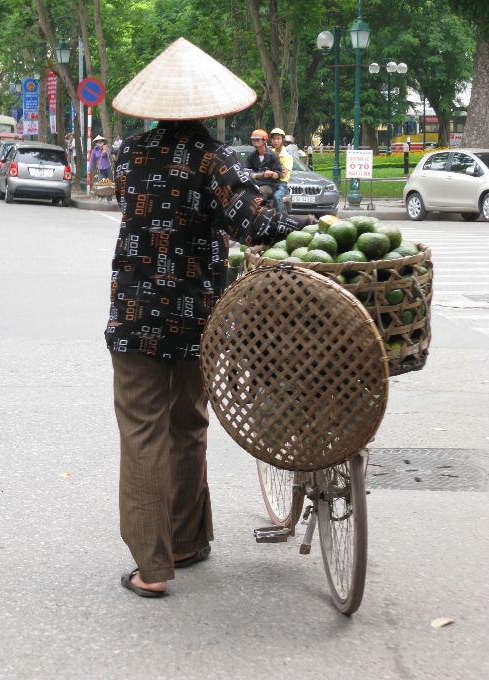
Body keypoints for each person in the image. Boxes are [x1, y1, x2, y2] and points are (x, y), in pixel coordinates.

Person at [107, 37, 315, 598]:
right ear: (209, 107)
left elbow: (132, 198)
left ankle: (155, 565)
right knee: (187, 424)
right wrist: (301, 227)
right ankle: (181, 540)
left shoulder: (129, 154)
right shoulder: (216, 161)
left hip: (135, 313)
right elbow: (259, 226)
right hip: (198, 317)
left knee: (143, 431)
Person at [244, 129, 282, 204]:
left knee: (258, 195)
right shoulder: (252, 155)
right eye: (253, 140)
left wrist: (271, 173)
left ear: (265, 141)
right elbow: (245, 168)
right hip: (255, 183)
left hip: (269, 184)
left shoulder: (273, 156)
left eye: (258, 140)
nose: (255, 142)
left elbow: (278, 174)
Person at [270, 128, 293, 213]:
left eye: (278, 139)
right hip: (270, 181)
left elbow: (283, 175)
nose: (276, 141)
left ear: (282, 140)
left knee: (277, 196)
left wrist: (271, 172)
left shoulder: (287, 155)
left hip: (281, 183)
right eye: (274, 139)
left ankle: (282, 217)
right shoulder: (270, 152)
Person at [88, 135, 114, 203]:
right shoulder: (94, 151)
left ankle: (109, 198)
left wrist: (106, 151)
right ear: (96, 143)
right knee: (100, 183)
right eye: (98, 142)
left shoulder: (106, 148)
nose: (99, 143)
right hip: (100, 169)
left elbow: (110, 156)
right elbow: (91, 160)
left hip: (107, 168)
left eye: (101, 141)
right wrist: (89, 170)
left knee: (109, 183)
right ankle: (101, 196)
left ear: (103, 142)